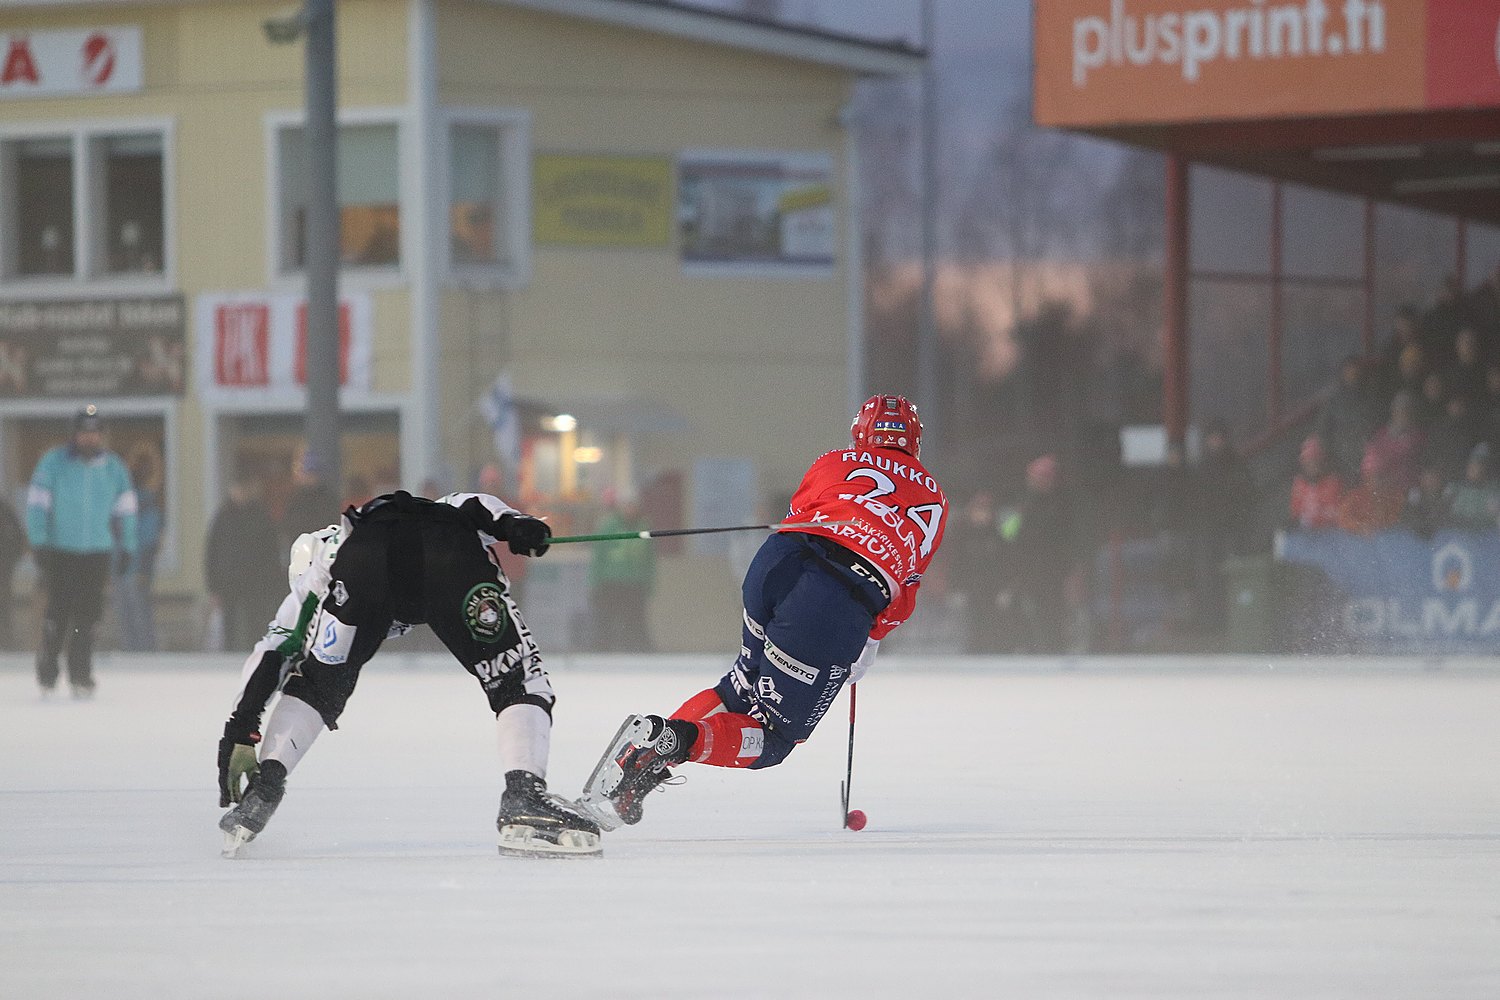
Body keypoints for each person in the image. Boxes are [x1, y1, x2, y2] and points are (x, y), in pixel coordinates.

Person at [577, 395, 947, 831]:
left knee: (738, 688)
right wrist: (869, 641)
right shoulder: (934, 496)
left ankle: (641, 765)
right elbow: (904, 588)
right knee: (775, 740)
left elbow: (801, 515)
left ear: (861, 432)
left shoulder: (834, 460)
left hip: (776, 564)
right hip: (835, 604)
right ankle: (674, 740)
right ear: (914, 441)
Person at [216, 490, 601, 858]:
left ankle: (266, 786)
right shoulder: (408, 514)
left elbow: (275, 648)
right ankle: (524, 796)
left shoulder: (319, 574)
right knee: (519, 681)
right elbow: (471, 504)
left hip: (364, 569)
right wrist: (516, 524)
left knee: (317, 685)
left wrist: (242, 727)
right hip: (446, 552)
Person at [26, 406, 137, 697]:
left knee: (88, 618)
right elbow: (37, 504)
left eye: (94, 433)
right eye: (84, 433)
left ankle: (81, 674)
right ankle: (47, 675)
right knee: (57, 615)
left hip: (96, 552)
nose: (89, 439)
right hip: (61, 551)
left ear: (101, 436)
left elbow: (127, 509)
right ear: (74, 435)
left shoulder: (113, 468)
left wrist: (128, 546)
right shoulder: (54, 463)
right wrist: (39, 541)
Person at [997, 455, 1081, 653]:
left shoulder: (1063, 504)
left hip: (1054, 570)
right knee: (1026, 611)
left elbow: (1067, 539)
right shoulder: (1026, 503)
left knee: (1053, 611)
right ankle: (1031, 647)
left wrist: (1072, 568)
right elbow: (1011, 535)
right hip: (1028, 569)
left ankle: (1053, 648)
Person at [204, 470, 285, 650]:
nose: (240, 492)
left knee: (255, 620)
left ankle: (254, 650)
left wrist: (272, 578)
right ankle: (230, 652)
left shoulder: (260, 516)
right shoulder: (223, 517)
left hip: (255, 580)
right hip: (228, 580)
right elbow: (212, 553)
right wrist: (213, 586)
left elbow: (271, 551)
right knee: (229, 621)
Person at [588, 491, 656, 651]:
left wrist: (650, 581)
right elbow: (599, 555)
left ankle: (635, 649)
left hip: (635, 582)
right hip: (610, 581)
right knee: (606, 619)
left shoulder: (644, 525)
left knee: (635, 619)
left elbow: (650, 557)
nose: (630, 509)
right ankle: (602, 649)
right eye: (627, 505)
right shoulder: (608, 525)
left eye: (633, 505)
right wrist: (594, 581)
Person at [115, 449, 164, 651]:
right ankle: (132, 650)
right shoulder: (126, 504)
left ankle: (143, 650)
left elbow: (149, 541)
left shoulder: (145, 504)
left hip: (134, 568)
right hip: (122, 567)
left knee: (136, 612)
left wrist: (144, 568)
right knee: (127, 612)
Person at [1288, 436, 1344, 531]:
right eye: (1308, 463)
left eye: (1315, 462)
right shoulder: (1299, 485)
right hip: (1308, 537)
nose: (1312, 467)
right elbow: (1295, 515)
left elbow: (1338, 514)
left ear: (1321, 461)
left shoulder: (1333, 483)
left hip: (1331, 534)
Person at [1445, 443, 1500, 532]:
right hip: (1457, 534)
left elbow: (1493, 519)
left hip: (1484, 536)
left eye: (1478, 465)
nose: (1473, 469)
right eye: (1471, 464)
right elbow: (1445, 513)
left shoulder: (1493, 491)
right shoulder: (1455, 488)